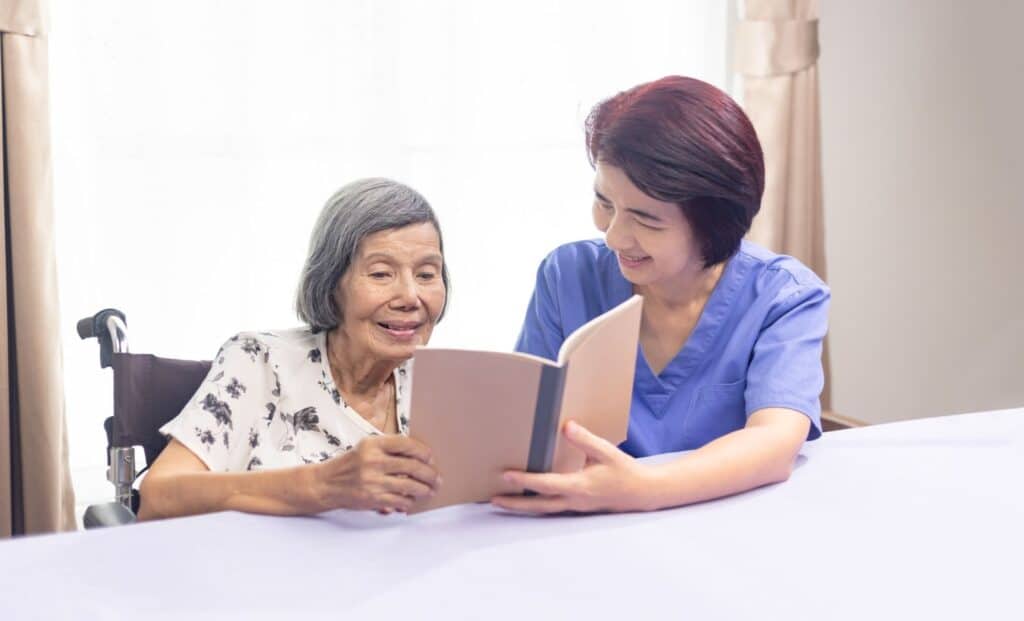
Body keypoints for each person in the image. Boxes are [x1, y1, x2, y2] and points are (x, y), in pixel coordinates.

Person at [494, 76, 830, 514]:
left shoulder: (783, 297)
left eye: (646, 220)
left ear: (714, 221)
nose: (615, 237)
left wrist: (641, 489)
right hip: (578, 530)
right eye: (604, 203)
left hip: (726, 528)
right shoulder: (567, 276)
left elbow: (775, 441)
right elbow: (523, 424)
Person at [139, 178, 447, 519]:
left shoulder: (442, 386)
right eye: (380, 274)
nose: (410, 297)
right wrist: (322, 486)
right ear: (331, 285)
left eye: (426, 274)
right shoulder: (259, 360)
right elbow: (159, 497)